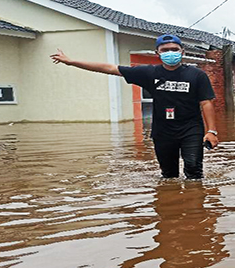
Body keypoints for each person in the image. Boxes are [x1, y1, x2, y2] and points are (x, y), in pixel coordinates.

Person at [50, 33, 219, 179]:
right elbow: (109, 68)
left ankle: (195, 210)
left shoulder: (197, 75)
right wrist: (71, 62)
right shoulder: (149, 73)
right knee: (169, 176)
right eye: (165, 50)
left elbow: (206, 102)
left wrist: (211, 131)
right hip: (163, 131)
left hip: (191, 129)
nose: (170, 53)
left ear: (182, 51)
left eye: (174, 49)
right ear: (157, 53)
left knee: (194, 172)